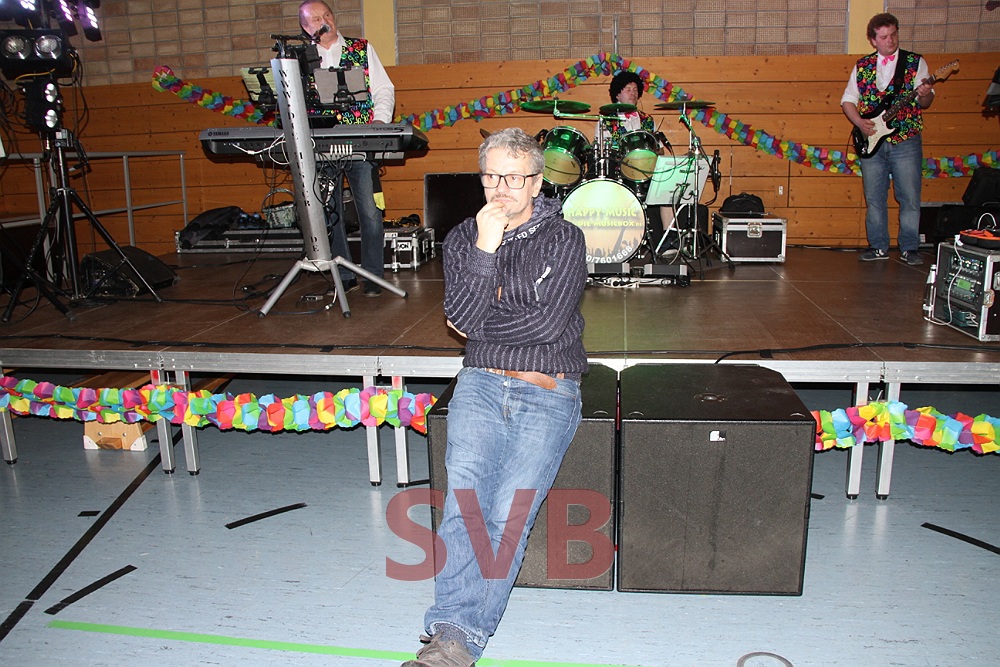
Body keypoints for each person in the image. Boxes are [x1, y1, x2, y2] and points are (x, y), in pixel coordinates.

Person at [402, 127, 588, 667]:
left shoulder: (565, 238)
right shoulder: (465, 237)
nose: (502, 188)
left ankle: (460, 636)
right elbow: (460, 321)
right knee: (464, 511)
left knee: (508, 514)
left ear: (537, 182)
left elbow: (548, 326)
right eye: (492, 176)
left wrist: (486, 318)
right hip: (480, 383)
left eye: (514, 177)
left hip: (548, 388)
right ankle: (453, 638)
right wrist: (486, 249)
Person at [298, 0, 395, 296]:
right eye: (316, 18)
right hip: (320, 144)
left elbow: (383, 88)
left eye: (327, 14)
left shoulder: (360, 48)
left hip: (359, 141)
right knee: (329, 212)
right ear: (305, 27)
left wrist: (379, 122)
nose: (324, 21)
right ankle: (343, 276)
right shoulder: (300, 58)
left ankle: (373, 277)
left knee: (370, 212)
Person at [841, 12, 934, 266]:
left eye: (893, 35)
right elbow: (848, 100)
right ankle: (878, 246)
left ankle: (910, 247)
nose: (890, 40)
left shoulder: (915, 62)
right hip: (872, 141)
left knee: (909, 197)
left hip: (906, 140)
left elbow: (925, 102)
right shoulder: (862, 66)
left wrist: (925, 92)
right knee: (874, 197)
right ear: (873, 40)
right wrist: (859, 122)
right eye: (883, 37)